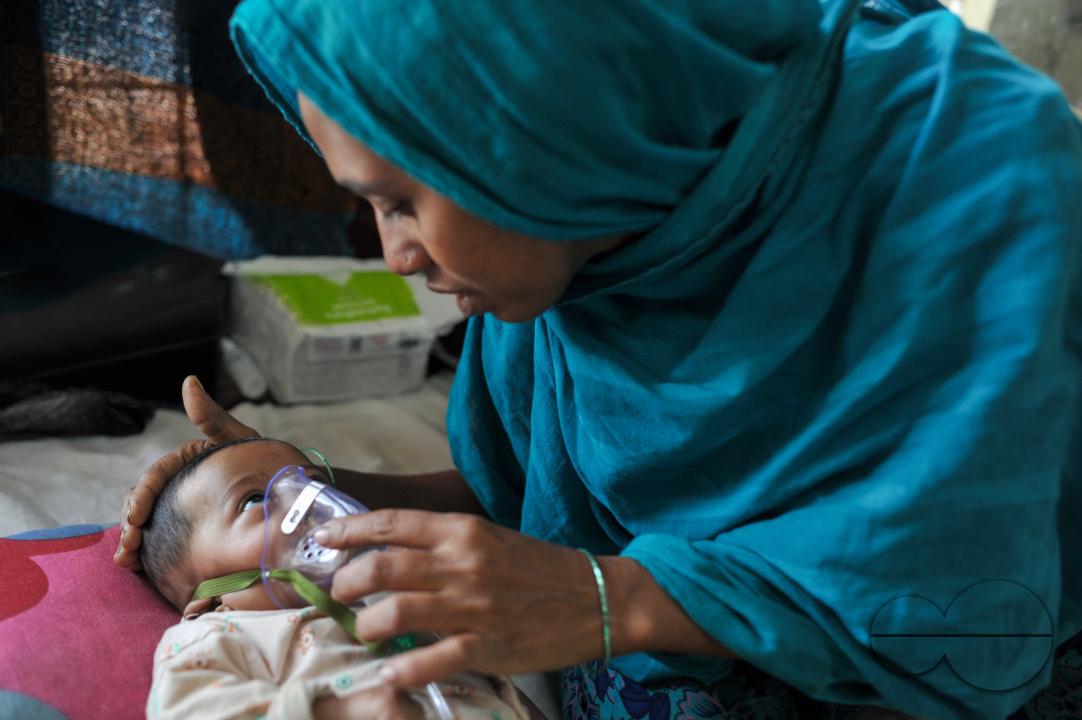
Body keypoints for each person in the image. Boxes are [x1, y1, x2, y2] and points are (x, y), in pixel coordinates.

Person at [116, 0, 1082, 718]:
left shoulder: (975, 197)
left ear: (538, 136)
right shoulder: (595, 217)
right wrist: (300, 484)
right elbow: (535, 502)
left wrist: (615, 599)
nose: (395, 257)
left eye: (403, 200)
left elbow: (960, 609)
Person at [140, 434, 533, 720]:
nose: (307, 502)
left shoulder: (397, 594)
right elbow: (191, 710)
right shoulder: (216, 636)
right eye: (256, 499)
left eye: (315, 483)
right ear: (211, 601)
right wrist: (335, 712)